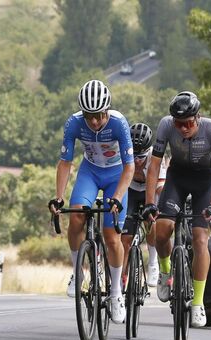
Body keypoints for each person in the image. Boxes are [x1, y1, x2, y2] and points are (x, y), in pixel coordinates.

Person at [49, 79, 134, 324]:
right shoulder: (74, 123)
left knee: (111, 236)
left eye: (98, 116)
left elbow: (130, 167)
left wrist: (117, 197)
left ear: (107, 110)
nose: (94, 121)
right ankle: (77, 273)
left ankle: (116, 292)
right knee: (76, 215)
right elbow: (65, 162)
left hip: (116, 175)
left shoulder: (118, 123)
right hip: (90, 172)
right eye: (89, 116)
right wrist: (59, 195)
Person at [143, 91, 211, 327]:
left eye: (188, 123)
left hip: (206, 181)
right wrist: (150, 201)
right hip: (177, 179)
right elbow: (154, 166)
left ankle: (198, 303)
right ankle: (164, 272)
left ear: (198, 117)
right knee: (161, 232)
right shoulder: (165, 125)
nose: (182, 129)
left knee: (201, 240)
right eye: (178, 124)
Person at [121, 123, 166, 287]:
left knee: (151, 222)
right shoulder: (123, 152)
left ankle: (153, 263)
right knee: (125, 238)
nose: (137, 161)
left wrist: (161, 207)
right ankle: (122, 277)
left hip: (151, 189)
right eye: (134, 156)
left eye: (141, 157)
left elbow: (161, 188)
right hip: (131, 189)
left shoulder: (156, 156)